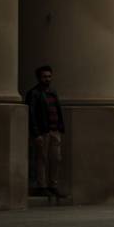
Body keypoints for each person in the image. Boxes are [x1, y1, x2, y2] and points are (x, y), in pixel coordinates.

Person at [24, 65, 66, 199]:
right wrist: (36, 133)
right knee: (42, 159)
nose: (47, 79)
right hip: (43, 132)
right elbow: (31, 114)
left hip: (55, 131)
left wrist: (60, 127)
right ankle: (41, 186)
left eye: (49, 76)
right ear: (39, 78)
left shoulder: (53, 92)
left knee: (56, 159)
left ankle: (53, 186)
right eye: (44, 77)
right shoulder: (34, 93)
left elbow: (57, 111)